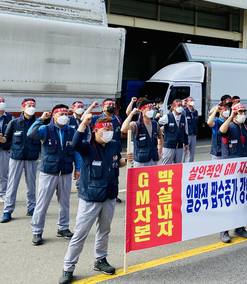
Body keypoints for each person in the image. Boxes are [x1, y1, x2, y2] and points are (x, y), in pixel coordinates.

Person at [59, 115, 133, 284]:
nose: (109, 133)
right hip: (91, 197)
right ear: (96, 131)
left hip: (109, 195)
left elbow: (116, 163)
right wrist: (83, 123)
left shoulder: (113, 145)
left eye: (110, 130)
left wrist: (125, 160)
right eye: (105, 130)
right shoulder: (87, 146)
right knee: (80, 234)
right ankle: (68, 267)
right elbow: (75, 144)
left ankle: (100, 260)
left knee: (104, 231)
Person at [28, 104, 81, 246]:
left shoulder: (71, 131)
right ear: (53, 115)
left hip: (65, 172)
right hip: (48, 172)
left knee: (65, 203)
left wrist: (78, 168)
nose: (64, 117)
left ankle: (63, 228)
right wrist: (40, 119)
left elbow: (75, 150)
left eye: (66, 114)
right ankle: (37, 231)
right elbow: (30, 134)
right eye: (60, 114)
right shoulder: (45, 129)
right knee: (42, 204)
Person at [0, 98, 40, 223]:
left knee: (31, 185)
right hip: (16, 157)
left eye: (33, 105)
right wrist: (0, 139)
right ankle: (7, 211)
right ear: (22, 108)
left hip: (31, 158)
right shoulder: (14, 123)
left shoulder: (39, 123)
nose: (31, 107)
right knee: (12, 185)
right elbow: (6, 138)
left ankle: (31, 208)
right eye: (28, 105)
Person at [218, 104, 247, 242]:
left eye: (244, 111)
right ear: (234, 113)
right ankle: (224, 230)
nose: (243, 113)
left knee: (241, 199)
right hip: (230, 169)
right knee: (229, 200)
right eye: (240, 111)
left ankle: (239, 227)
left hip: (243, 168)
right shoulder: (229, 126)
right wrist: (231, 118)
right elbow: (221, 131)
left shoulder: (246, 128)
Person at [121, 100, 162, 167]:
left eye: (152, 108)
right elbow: (123, 129)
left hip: (153, 159)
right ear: (142, 110)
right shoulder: (136, 125)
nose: (152, 110)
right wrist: (131, 114)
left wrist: (159, 151)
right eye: (149, 108)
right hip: (140, 160)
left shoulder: (155, 124)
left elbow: (160, 137)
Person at [158, 99, 188, 165]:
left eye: (181, 106)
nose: (180, 107)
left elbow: (185, 132)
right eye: (178, 106)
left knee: (178, 166)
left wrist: (186, 143)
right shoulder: (167, 116)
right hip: (169, 146)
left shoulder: (183, 118)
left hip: (179, 146)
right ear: (173, 107)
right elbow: (157, 125)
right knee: (166, 166)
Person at [183, 97, 199, 162]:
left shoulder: (195, 112)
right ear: (186, 102)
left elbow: (196, 122)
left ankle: (190, 164)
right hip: (187, 134)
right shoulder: (184, 111)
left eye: (193, 100)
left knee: (192, 153)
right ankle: (182, 165)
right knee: (184, 152)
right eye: (190, 100)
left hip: (194, 134)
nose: (192, 102)